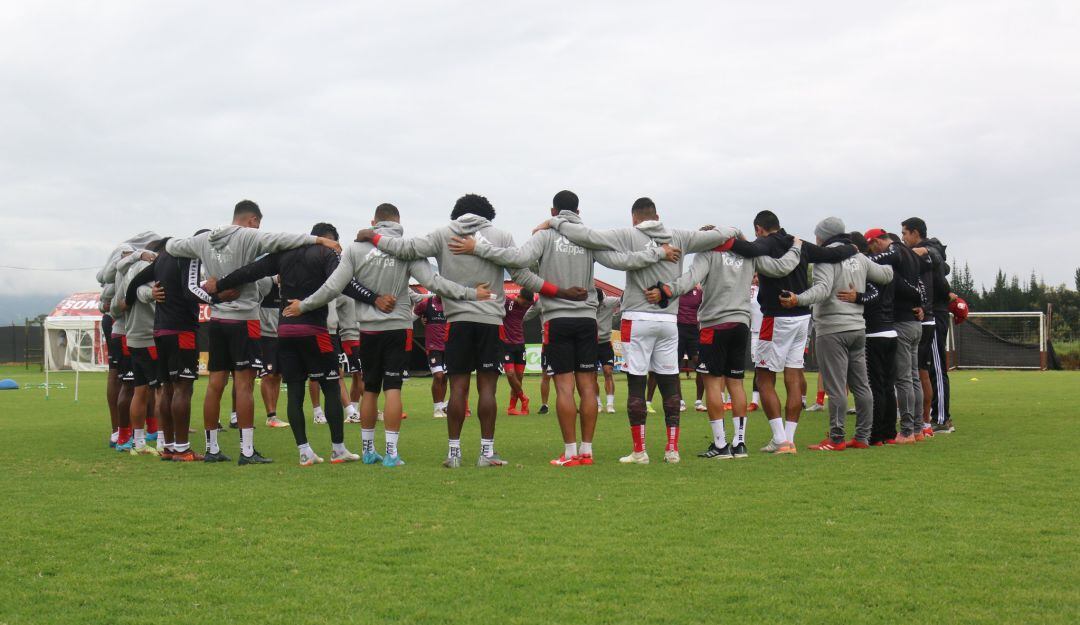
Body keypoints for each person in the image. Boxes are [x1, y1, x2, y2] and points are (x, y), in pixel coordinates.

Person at [450, 189, 676, 465]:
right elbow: (623, 261)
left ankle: (570, 452)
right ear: (578, 213)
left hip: (557, 320)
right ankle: (587, 451)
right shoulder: (587, 237)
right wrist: (659, 253)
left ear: (553, 212)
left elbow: (517, 260)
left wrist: (478, 248)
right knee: (588, 387)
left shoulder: (543, 236)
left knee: (565, 388)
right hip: (587, 321)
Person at [356, 194, 582, 468]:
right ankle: (486, 453)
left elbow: (406, 249)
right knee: (487, 388)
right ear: (488, 215)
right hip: (490, 322)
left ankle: (454, 453)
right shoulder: (501, 236)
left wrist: (374, 236)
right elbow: (522, 276)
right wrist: (560, 291)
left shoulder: (443, 233)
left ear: (457, 214)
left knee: (458, 388)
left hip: (456, 322)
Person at [538, 197, 737, 464]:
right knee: (669, 381)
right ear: (658, 215)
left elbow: (586, 235)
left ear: (634, 218)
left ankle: (640, 451)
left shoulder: (628, 234)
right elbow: (723, 233)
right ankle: (672, 450)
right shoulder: (680, 236)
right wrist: (735, 234)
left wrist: (554, 221)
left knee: (637, 381)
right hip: (669, 320)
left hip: (636, 318)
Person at [291, 204, 490, 467]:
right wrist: (471, 293)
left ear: (373, 221)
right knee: (393, 388)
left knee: (370, 390)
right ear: (398, 222)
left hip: (368, 330)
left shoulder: (356, 249)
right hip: (399, 328)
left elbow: (332, 287)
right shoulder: (406, 248)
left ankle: (368, 450)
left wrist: (302, 305)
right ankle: (391, 454)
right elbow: (434, 283)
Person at [165, 199, 343, 465]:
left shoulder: (204, 240)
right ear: (253, 221)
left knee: (215, 385)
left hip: (218, 319)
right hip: (245, 319)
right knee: (244, 384)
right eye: (259, 223)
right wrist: (319, 240)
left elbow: (171, 246)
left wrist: (147, 255)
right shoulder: (249, 236)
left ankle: (212, 449)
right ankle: (246, 451)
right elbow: (283, 239)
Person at [214, 222, 385, 466]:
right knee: (331, 388)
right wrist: (375, 298)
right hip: (315, 330)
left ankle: (304, 452)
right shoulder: (328, 253)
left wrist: (218, 286)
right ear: (329, 239)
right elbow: (344, 284)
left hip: (285, 331)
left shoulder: (284, 253)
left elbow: (250, 271)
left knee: (295, 390)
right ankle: (338, 449)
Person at [648, 236, 802, 459]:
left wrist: (665, 290)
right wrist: (796, 246)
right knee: (736, 384)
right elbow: (782, 267)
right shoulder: (749, 255)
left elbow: (689, 280)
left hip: (714, 324)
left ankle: (720, 445)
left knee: (712, 383)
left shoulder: (708, 253)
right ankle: (739, 444)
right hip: (741, 324)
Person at [733, 210, 858, 453]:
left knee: (764, 377)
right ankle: (788, 438)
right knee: (793, 377)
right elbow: (831, 254)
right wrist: (852, 248)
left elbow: (745, 250)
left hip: (776, 317)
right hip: (802, 317)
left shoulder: (764, 243)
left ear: (759, 228)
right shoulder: (797, 243)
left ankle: (781, 439)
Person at [778, 217, 894, 450]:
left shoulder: (825, 258)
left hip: (832, 329)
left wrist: (798, 299)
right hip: (857, 328)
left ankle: (837, 438)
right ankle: (862, 437)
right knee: (861, 385)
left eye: (818, 235)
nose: (817, 239)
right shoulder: (859, 257)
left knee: (836, 387)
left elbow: (822, 290)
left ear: (825, 236)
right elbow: (887, 275)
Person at [125, 230, 237, 461]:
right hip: (182, 330)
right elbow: (190, 290)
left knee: (166, 389)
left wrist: (129, 300)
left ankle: (168, 447)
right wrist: (218, 298)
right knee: (183, 388)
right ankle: (182, 449)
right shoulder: (191, 254)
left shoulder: (163, 257)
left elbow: (135, 282)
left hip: (160, 330)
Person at [864, 229, 926, 444]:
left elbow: (902, 285)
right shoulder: (912, 254)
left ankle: (907, 431)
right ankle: (918, 428)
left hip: (899, 323)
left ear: (879, 241)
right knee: (914, 377)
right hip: (915, 322)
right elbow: (921, 287)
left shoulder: (895, 252)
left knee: (903, 380)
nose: (871, 250)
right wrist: (921, 304)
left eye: (871, 245)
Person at [902, 217, 956, 434]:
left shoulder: (928, 250)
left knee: (936, 367)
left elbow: (939, 260)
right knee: (923, 368)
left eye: (905, 233)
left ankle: (942, 419)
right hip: (925, 316)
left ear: (916, 233)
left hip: (934, 315)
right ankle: (925, 417)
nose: (903, 237)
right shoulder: (919, 255)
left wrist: (926, 251)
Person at [850, 231, 899, 446]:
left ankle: (875, 434)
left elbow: (873, 295)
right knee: (888, 386)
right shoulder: (887, 268)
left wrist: (856, 297)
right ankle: (889, 432)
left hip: (874, 333)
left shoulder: (867, 267)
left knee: (876, 386)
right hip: (890, 331)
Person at [116, 241, 163, 456]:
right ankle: (163, 441)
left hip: (133, 335)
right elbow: (142, 291)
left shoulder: (128, 269)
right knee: (161, 389)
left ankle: (139, 442)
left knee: (140, 390)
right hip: (148, 336)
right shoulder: (149, 267)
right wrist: (152, 294)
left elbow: (123, 298)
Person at [255, 277, 288, 428]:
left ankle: (274, 415)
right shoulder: (264, 280)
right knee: (268, 375)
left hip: (281, 335)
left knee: (278, 375)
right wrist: (273, 279)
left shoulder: (288, 284)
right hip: (265, 335)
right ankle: (270, 415)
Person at [414, 294, 449, 417]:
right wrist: (421, 319)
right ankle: (437, 408)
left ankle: (441, 407)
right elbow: (413, 316)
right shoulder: (426, 303)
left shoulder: (450, 303)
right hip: (433, 346)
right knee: (438, 376)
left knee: (445, 377)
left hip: (448, 345)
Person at [501, 289, 535, 415]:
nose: (526, 306)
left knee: (519, 377)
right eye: (525, 303)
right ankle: (523, 398)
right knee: (510, 374)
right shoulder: (506, 301)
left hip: (520, 344)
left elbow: (538, 298)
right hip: (506, 345)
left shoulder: (530, 302)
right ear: (519, 297)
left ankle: (511, 408)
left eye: (528, 304)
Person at [676, 285, 706, 412]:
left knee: (699, 363)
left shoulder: (699, 293)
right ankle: (680, 401)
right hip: (678, 329)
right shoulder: (677, 292)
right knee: (675, 366)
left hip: (694, 330)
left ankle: (699, 402)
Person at [595, 287, 620, 413]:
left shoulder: (610, 301)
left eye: (599, 303)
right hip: (590, 344)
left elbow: (624, 300)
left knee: (608, 371)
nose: (597, 305)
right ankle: (598, 404)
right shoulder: (587, 303)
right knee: (592, 375)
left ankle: (610, 404)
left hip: (605, 343)